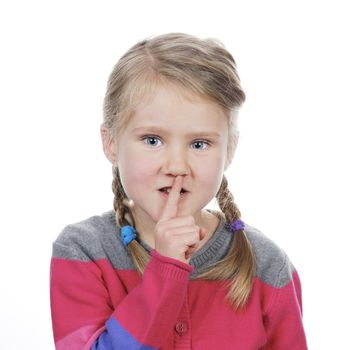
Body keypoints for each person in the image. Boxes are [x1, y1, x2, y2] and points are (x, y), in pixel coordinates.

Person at [50, 33, 308, 349]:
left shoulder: (267, 266)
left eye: (199, 144)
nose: (176, 165)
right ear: (111, 142)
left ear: (229, 151)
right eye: (152, 140)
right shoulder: (83, 252)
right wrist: (165, 271)